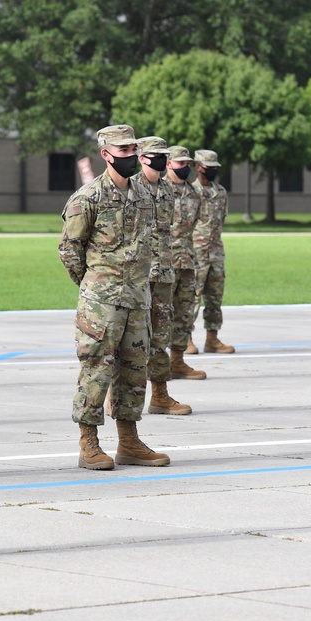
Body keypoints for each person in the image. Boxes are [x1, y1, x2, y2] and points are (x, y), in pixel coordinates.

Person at [59, 124, 171, 471]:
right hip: (101, 303)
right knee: (96, 370)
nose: (130, 157)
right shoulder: (87, 197)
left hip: (137, 297)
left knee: (134, 371)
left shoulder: (143, 195)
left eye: (132, 150)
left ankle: (128, 441)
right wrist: (94, 286)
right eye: (122, 151)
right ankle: (88, 443)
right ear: (105, 154)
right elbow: (69, 250)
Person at [134, 136, 192, 415]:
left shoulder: (168, 191)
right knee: (129, 338)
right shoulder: (131, 189)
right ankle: (115, 395)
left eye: (163, 155)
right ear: (141, 157)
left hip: (164, 273)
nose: (160, 159)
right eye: (155, 154)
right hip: (138, 276)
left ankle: (159, 394)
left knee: (160, 337)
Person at [186, 149, 234, 355]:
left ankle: (212, 338)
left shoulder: (221, 193)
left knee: (215, 297)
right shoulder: (190, 192)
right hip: (196, 253)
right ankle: (184, 339)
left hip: (216, 252)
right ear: (198, 167)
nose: (212, 171)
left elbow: (221, 221)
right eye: (208, 168)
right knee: (191, 297)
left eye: (215, 168)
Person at [165, 145, 206, 381]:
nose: (185, 167)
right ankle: (156, 365)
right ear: (168, 163)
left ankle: (177, 361)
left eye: (187, 163)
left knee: (184, 314)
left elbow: (192, 227)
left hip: (188, 262)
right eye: (180, 163)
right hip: (164, 264)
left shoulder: (193, 194)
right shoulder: (157, 191)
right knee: (160, 316)